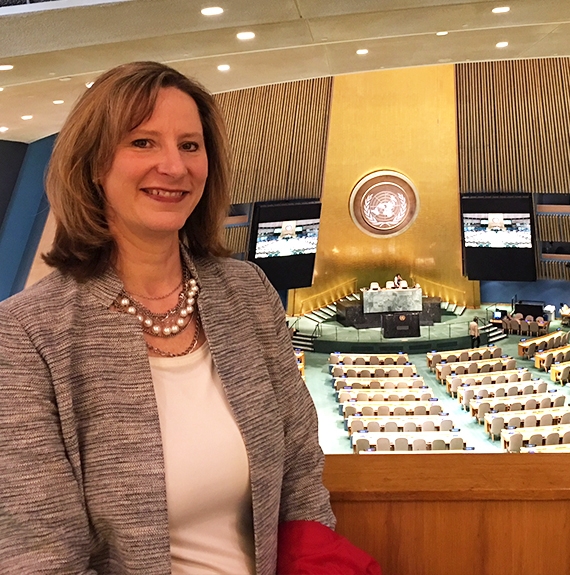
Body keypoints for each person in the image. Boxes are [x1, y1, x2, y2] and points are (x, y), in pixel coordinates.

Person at [0, 62, 378, 574]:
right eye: (143, 143)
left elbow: (301, 475)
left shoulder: (247, 293)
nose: (174, 167)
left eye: (190, 145)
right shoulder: (25, 336)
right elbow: (42, 557)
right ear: (93, 165)